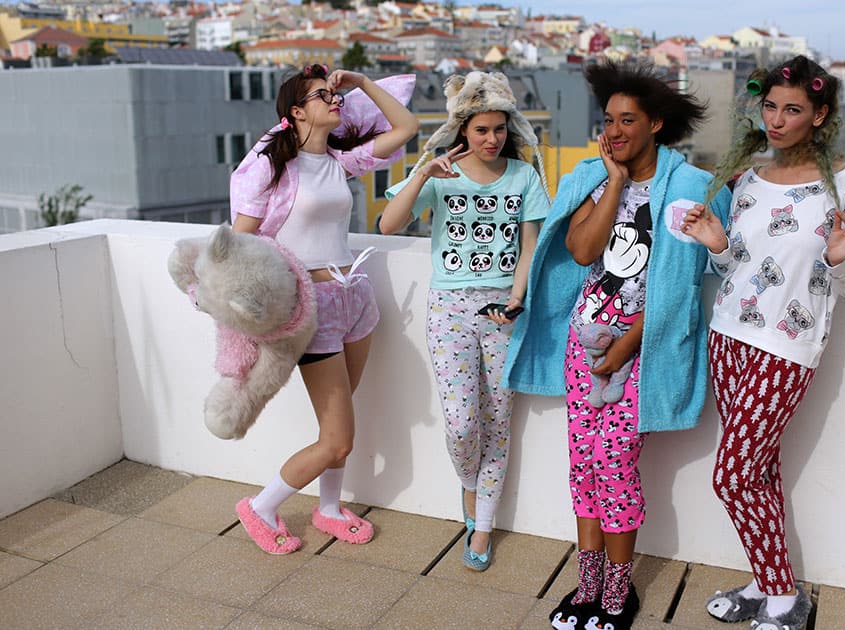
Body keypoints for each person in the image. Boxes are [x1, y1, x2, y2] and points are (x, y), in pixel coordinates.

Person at [503, 59, 732, 629]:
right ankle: (587, 586)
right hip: (583, 346)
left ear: (656, 123)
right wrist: (614, 183)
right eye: (608, 120)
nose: (615, 131)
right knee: (584, 466)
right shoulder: (592, 177)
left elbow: (689, 284)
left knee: (617, 470)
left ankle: (617, 593)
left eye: (628, 120)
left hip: (638, 353)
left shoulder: (690, 190)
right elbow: (583, 252)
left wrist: (630, 342)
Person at [681, 55, 845, 630]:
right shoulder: (748, 179)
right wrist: (718, 247)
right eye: (770, 106)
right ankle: (767, 584)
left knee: (732, 475)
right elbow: (738, 271)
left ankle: (787, 600)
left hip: (785, 347)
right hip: (728, 337)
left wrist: (842, 262)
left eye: (793, 109)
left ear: (820, 115)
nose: (777, 119)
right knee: (758, 473)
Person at [228, 64, 418, 554]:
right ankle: (261, 506)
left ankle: (329, 508)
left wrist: (362, 85)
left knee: (340, 420)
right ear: (295, 111)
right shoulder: (275, 170)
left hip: (354, 298)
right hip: (310, 311)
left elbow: (407, 129)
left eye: (334, 94)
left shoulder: (340, 162)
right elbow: (239, 245)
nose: (334, 100)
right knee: (338, 440)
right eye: (321, 95)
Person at [379, 71, 550, 571]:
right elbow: (389, 224)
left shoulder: (524, 177)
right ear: (463, 132)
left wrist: (517, 299)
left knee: (498, 422)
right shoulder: (442, 174)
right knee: (461, 423)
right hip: (449, 309)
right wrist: (423, 177)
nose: (492, 139)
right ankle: (471, 490)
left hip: (504, 311)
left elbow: (530, 248)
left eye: (499, 129)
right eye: (481, 130)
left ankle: (484, 526)